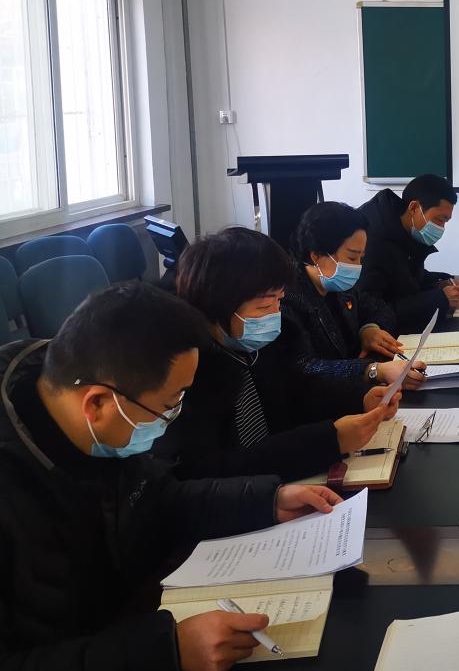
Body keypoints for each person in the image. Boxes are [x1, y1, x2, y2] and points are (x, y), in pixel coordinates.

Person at [0, 281, 344, 671]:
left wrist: (266, 500)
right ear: (97, 404)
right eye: (169, 403)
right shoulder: (14, 490)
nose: (173, 417)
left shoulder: (103, 432)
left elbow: (161, 501)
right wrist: (167, 650)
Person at [157, 227, 400, 482]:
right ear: (219, 305)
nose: (276, 314)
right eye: (264, 305)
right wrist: (330, 440)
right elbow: (215, 471)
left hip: (285, 481)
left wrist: (359, 399)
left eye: (279, 301)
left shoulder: (256, 345)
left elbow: (298, 392)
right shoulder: (185, 375)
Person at [283, 201, 424, 391]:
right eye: (351, 257)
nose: (358, 266)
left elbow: (380, 308)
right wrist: (372, 371)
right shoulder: (287, 298)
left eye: (361, 257)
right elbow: (305, 368)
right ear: (316, 255)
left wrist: (369, 329)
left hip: (355, 392)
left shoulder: (340, 287)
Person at [359, 174, 459, 332]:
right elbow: (374, 311)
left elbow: (406, 280)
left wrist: (438, 282)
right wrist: (440, 299)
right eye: (439, 219)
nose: (441, 228)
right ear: (414, 208)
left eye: (445, 222)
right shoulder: (371, 242)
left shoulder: (405, 229)